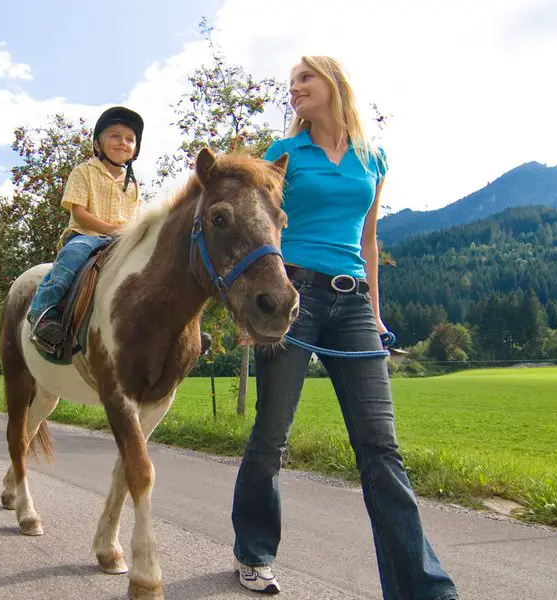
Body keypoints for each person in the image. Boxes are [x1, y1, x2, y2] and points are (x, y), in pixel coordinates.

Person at [230, 56, 458, 600]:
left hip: (352, 303)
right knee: (271, 437)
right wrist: (256, 307)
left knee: (381, 448)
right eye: (291, 85)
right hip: (294, 295)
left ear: (333, 84)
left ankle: (421, 588)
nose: (295, 90)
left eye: (304, 80)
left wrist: (377, 312)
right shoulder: (284, 154)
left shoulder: (372, 158)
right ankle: (254, 552)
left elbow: (369, 240)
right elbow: (257, 227)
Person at [26, 106, 143, 353]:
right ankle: (43, 313)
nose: (123, 142)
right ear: (98, 144)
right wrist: (111, 229)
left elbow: (135, 219)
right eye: (115, 135)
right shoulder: (84, 171)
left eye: (130, 139)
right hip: (87, 236)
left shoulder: (132, 184)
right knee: (71, 258)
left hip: (122, 241)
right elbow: (79, 212)